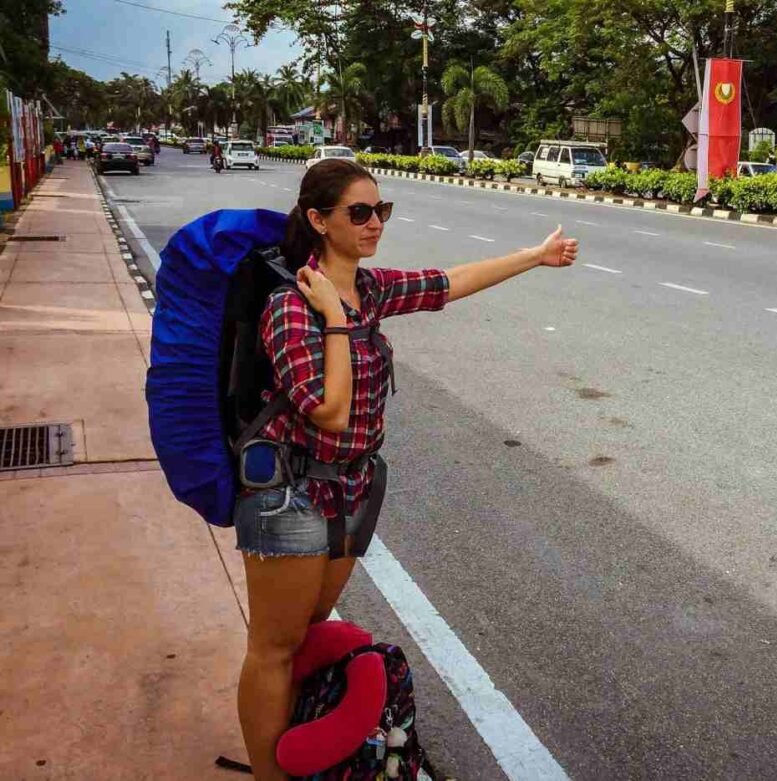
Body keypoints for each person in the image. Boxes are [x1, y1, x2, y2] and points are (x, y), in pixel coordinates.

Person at [234, 158, 578, 780]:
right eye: (358, 213)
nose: (374, 224)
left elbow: (447, 281)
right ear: (318, 220)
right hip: (290, 494)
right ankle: (268, 773)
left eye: (380, 210)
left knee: (308, 633)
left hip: (352, 489)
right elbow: (329, 412)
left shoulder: (371, 290)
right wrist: (335, 321)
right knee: (274, 648)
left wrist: (535, 256)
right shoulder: (292, 306)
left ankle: (298, 758)